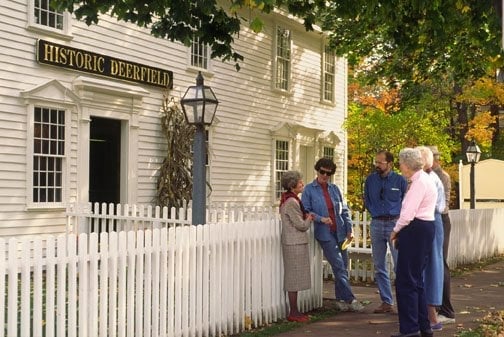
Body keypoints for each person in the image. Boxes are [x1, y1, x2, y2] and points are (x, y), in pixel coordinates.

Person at [301, 157, 363, 312]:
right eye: (322, 172)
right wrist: (321, 219)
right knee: (338, 265)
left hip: (340, 231)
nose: (324, 175)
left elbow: (345, 210)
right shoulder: (309, 190)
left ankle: (340, 299)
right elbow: (306, 211)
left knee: (343, 266)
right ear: (317, 170)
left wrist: (349, 229)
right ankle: (351, 299)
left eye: (328, 173)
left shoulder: (335, 189)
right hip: (324, 233)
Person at [390, 148, 437, 337]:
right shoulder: (425, 179)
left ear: (407, 164)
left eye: (401, 163)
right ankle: (423, 327)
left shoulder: (418, 183)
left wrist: (395, 231)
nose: (400, 166)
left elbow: (408, 213)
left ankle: (410, 329)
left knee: (406, 280)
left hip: (415, 229)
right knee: (416, 280)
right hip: (425, 228)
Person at [364, 150, 408, 314]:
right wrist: (375, 211)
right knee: (379, 265)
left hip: (395, 224)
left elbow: (406, 200)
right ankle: (386, 302)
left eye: (380, 162)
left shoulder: (400, 180)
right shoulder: (370, 180)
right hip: (376, 223)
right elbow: (367, 199)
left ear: (389, 164)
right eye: (376, 162)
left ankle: (404, 302)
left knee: (399, 265)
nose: (377, 165)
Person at [279, 171, 314, 322]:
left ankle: (296, 310)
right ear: (293, 185)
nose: (302, 184)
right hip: (294, 243)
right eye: (300, 182)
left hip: (295, 243)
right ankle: (293, 312)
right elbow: (300, 225)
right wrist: (309, 219)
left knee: (296, 278)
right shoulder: (292, 202)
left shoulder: (291, 199)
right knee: (293, 279)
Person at [417, 146, 445, 332]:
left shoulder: (427, 179)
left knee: (431, 267)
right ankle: (427, 315)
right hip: (431, 221)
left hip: (429, 220)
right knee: (427, 267)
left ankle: (431, 316)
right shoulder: (428, 177)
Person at [429, 145, 456, 324]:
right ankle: (433, 308)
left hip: (441, 221)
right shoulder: (423, 176)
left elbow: (444, 204)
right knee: (432, 265)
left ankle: (447, 311)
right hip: (429, 221)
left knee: (440, 263)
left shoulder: (443, 176)